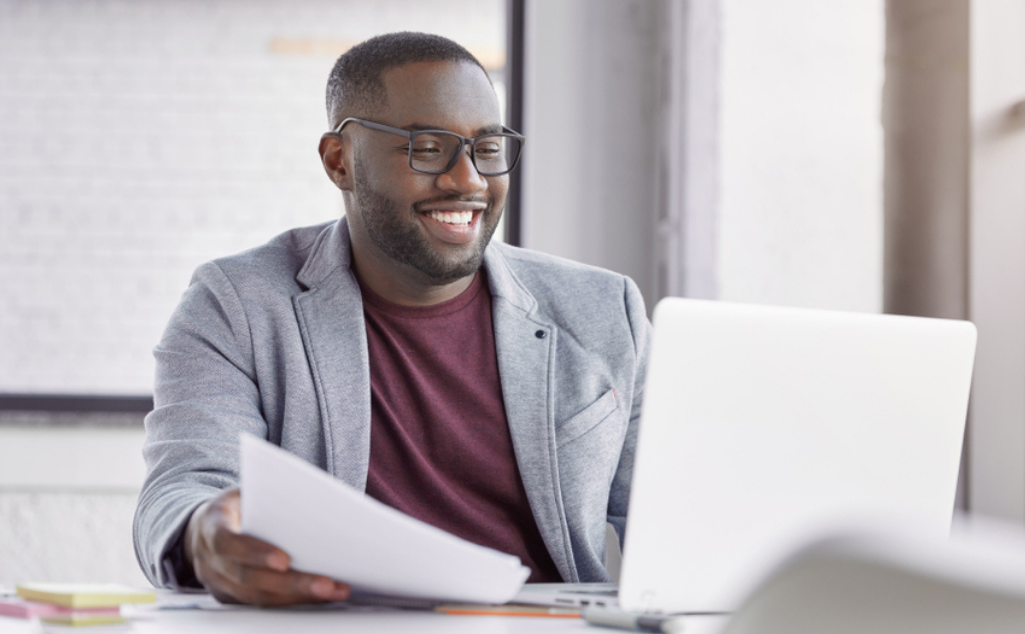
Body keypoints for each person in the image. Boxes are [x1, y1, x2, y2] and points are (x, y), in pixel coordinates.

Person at [133, 32, 650, 607]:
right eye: (427, 148)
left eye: (487, 147)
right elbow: (185, 489)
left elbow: (679, 517)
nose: (469, 180)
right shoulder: (237, 304)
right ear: (340, 161)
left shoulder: (605, 309)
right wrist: (202, 532)